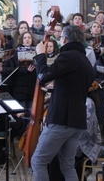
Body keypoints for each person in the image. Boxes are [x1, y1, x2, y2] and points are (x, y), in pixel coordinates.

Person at [31, 25, 94, 181]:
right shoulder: (84, 60)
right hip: (77, 121)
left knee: (38, 161)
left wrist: (40, 55)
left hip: (61, 119)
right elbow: (73, 87)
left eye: (60, 38)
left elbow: (43, 75)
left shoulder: (68, 57)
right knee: (67, 165)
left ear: (65, 39)